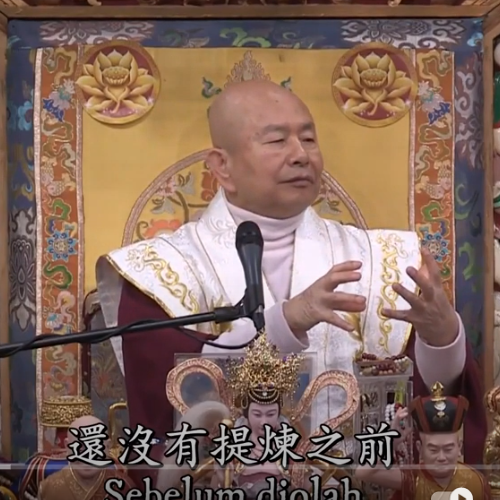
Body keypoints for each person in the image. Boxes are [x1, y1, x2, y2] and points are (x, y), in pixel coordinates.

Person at [95, 80, 486, 486]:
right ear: (222, 166)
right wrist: (284, 324)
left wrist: (442, 341)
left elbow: (431, 408)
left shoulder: (384, 260)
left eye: (309, 139)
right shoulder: (158, 270)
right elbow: (162, 402)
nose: (301, 155)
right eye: (277, 140)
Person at [355, 382, 490, 500]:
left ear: (459, 447)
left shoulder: (476, 481)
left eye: (448, 449)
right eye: (433, 450)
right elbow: (363, 473)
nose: (441, 457)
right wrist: (391, 441)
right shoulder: (413, 479)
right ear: (420, 448)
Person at [37, 415, 135, 500]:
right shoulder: (48, 488)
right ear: (67, 446)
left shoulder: (124, 486)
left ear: (108, 447)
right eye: (80, 448)